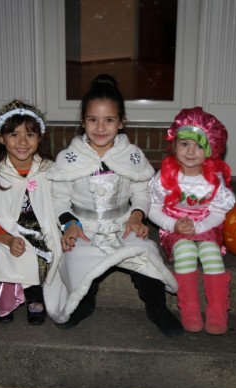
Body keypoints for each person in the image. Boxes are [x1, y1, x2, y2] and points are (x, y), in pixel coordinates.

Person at [46, 74, 184, 337]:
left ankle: (157, 308)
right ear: (83, 121)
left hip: (123, 225)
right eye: (92, 119)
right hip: (84, 229)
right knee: (74, 260)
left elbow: (142, 191)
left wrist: (136, 216)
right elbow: (58, 198)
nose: (100, 127)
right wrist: (70, 224)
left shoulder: (130, 156)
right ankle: (83, 304)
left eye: (109, 120)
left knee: (145, 255)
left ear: (121, 123)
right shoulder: (69, 159)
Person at [0, 100, 66, 325]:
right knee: (1, 252)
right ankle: (4, 298)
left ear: (39, 138)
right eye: (14, 134)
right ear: (1, 138)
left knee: (43, 251)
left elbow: (58, 205)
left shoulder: (48, 169)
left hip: (39, 228)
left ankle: (34, 294)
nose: (22, 142)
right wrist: (6, 238)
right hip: (4, 231)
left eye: (30, 134)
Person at [148, 107, 235, 334]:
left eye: (198, 145)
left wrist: (200, 226)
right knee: (186, 251)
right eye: (184, 144)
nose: (190, 151)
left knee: (210, 253)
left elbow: (218, 212)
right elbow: (153, 209)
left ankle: (217, 309)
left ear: (210, 149)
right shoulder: (166, 176)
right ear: (174, 145)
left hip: (206, 225)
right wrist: (171, 225)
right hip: (174, 225)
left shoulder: (213, 180)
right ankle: (190, 307)